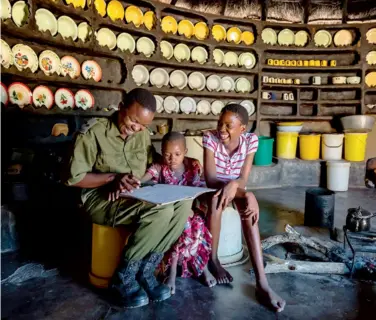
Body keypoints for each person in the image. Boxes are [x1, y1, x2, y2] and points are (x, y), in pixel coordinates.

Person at [65, 88, 192, 309]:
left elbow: (155, 163)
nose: (137, 129)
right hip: (102, 198)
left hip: (135, 194)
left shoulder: (141, 134)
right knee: (160, 211)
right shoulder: (94, 132)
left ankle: (145, 272)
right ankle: (123, 277)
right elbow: (73, 179)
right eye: (134, 121)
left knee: (183, 204)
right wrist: (112, 178)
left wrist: (185, 164)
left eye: (143, 125)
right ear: (121, 107)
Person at [201, 104, 286, 312]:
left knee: (249, 211)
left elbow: (243, 178)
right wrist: (243, 191)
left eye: (229, 125)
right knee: (216, 200)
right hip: (213, 189)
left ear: (243, 129)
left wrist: (243, 192)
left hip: (237, 189)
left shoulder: (251, 141)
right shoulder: (209, 138)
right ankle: (213, 260)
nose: (222, 129)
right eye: (220, 123)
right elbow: (211, 180)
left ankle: (262, 284)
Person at [140, 132, 217, 294]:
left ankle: (202, 268)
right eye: (167, 154)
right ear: (161, 152)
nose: (172, 159)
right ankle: (173, 270)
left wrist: (194, 207)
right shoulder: (159, 167)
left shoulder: (194, 166)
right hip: (171, 212)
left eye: (177, 154)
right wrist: (137, 181)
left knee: (197, 223)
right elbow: (144, 179)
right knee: (185, 224)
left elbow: (199, 190)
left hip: (191, 209)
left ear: (185, 151)